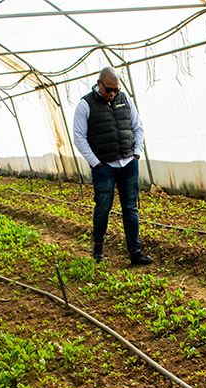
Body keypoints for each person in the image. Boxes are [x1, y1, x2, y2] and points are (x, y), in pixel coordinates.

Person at [73, 66, 153, 266]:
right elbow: (79, 137)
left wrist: (136, 154)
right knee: (103, 208)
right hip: (104, 166)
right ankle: (98, 248)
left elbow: (138, 127)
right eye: (108, 89)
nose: (112, 94)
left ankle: (135, 252)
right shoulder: (85, 105)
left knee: (130, 208)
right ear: (98, 84)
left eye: (115, 90)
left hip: (128, 162)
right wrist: (96, 163)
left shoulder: (124, 100)